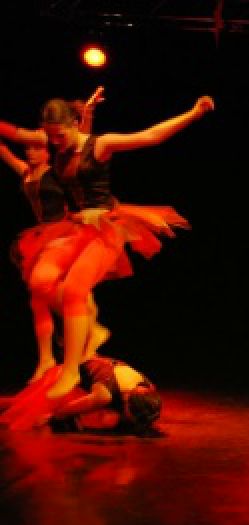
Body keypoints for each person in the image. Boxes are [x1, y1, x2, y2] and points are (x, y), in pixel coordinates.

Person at [0, 94, 214, 398]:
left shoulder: (101, 145)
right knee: (39, 280)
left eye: (59, 136)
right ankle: (89, 324)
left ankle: (72, 368)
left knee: (74, 289)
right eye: (49, 136)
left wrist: (193, 113)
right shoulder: (53, 141)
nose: (54, 143)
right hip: (73, 226)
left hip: (104, 228)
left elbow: (150, 136)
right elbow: (13, 133)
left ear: (75, 124)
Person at [0, 87, 109, 382]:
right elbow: (5, 150)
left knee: (61, 287)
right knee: (38, 296)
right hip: (39, 236)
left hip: (64, 231)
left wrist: (88, 114)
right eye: (28, 148)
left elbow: (82, 146)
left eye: (37, 147)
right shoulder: (25, 172)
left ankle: (89, 327)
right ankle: (46, 357)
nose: (31, 152)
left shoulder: (56, 169)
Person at [0, 354, 162, 435]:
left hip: (85, 381)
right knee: (23, 408)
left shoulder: (147, 387)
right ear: (127, 402)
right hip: (63, 379)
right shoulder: (104, 395)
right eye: (131, 417)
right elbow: (62, 412)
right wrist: (52, 417)